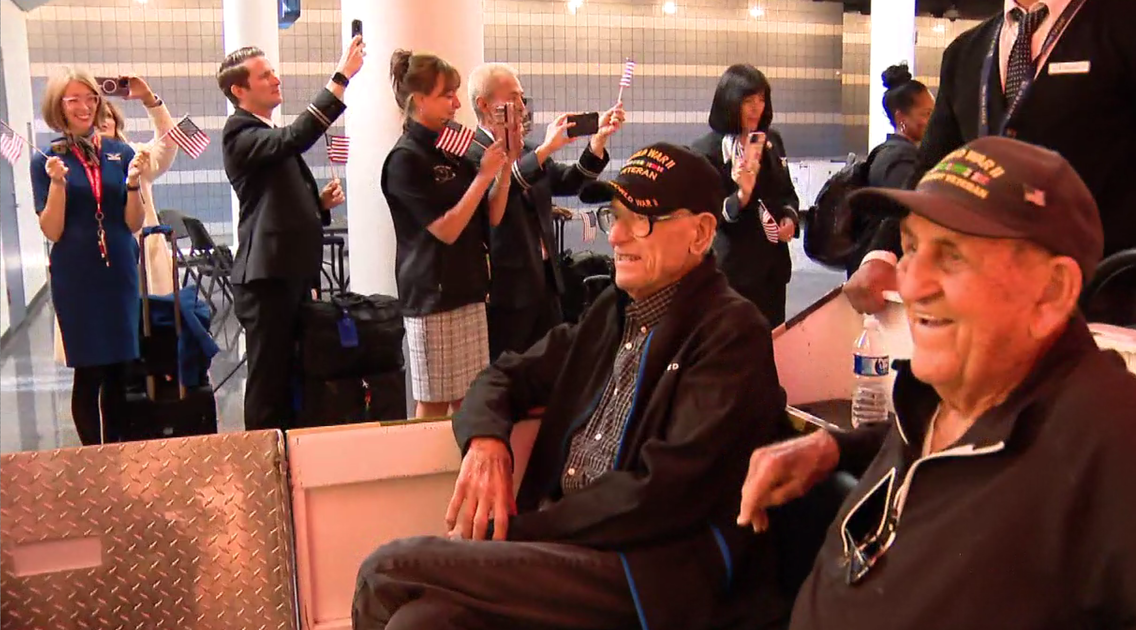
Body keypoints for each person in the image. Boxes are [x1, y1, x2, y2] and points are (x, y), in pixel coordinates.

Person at [739, 137, 1136, 630]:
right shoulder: (951, 386)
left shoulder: (1120, 444)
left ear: (1051, 291)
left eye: (953, 256)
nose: (911, 284)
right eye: (912, 248)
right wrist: (833, 448)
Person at [353, 143, 793, 630]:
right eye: (615, 216)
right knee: (421, 622)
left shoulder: (731, 334)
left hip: (647, 572)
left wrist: (517, 532)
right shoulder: (612, 311)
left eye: (641, 220)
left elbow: (662, 495)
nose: (618, 237)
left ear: (701, 233)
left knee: (386, 570)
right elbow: (505, 374)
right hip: (566, 548)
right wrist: (486, 442)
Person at [845, 0, 1136, 324]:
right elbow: (932, 173)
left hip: (1096, 296)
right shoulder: (967, 52)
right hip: (983, 294)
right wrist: (883, 254)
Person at [219, 38, 364, 431]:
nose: (275, 79)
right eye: (264, 75)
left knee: (289, 375)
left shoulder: (261, 131)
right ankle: (263, 467)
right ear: (239, 90)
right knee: (269, 384)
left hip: (286, 275)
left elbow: (271, 203)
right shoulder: (239, 133)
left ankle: (289, 458)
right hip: (266, 280)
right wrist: (340, 78)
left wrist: (316, 206)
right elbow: (296, 137)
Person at [382, 51, 512, 419]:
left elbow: (493, 214)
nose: (457, 104)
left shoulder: (454, 148)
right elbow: (447, 229)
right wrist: (484, 176)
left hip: (469, 287)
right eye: (447, 95)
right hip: (431, 297)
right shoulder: (405, 159)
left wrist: (505, 165)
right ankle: (424, 474)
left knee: (470, 399)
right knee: (434, 401)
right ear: (419, 100)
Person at [464, 62, 623, 360]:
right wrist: (546, 150)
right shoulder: (471, 154)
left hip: (546, 282)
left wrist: (597, 141)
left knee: (551, 370)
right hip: (505, 290)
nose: (521, 107)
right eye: (512, 98)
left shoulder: (529, 151)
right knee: (509, 375)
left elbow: (571, 181)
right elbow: (497, 197)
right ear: (484, 105)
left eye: (522, 97)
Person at [31, 67, 150, 445]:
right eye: (74, 100)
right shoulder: (47, 159)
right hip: (77, 274)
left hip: (118, 270)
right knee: (89, 371)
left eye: (91, 98)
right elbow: (52, 230)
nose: (84, 107)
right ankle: (90, 459)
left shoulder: (120, 152)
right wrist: (57, 183)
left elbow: (133, 222)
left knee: (120, 369)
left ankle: (115, 452)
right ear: (58, 106)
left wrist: (132, 184)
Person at [692, 64, 802, 328]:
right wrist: (742, 194)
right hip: (733, 270)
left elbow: (787, 192)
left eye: (762, 100)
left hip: (772, 268)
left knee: (773, 340)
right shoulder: (707, 151)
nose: (757, 108)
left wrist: (789, 217)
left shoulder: (771, 141)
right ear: (730, 103)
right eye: (748, 101)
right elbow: (710, 215)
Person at [846, 63, 934, 273]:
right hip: (885, 270)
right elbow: (909, 215)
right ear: (901, 119)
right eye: (927, 113)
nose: (935, 121)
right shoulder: (899, 161)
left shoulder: (888, 153)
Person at [98, 77, 179, 296]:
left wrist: (149, 99)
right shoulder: (73, 164)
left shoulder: (136, 156)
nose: (103, 122)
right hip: (98, 258)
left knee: (150, 324)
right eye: (96, 118)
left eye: (107, 116)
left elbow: (169, 142)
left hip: (143, 257)